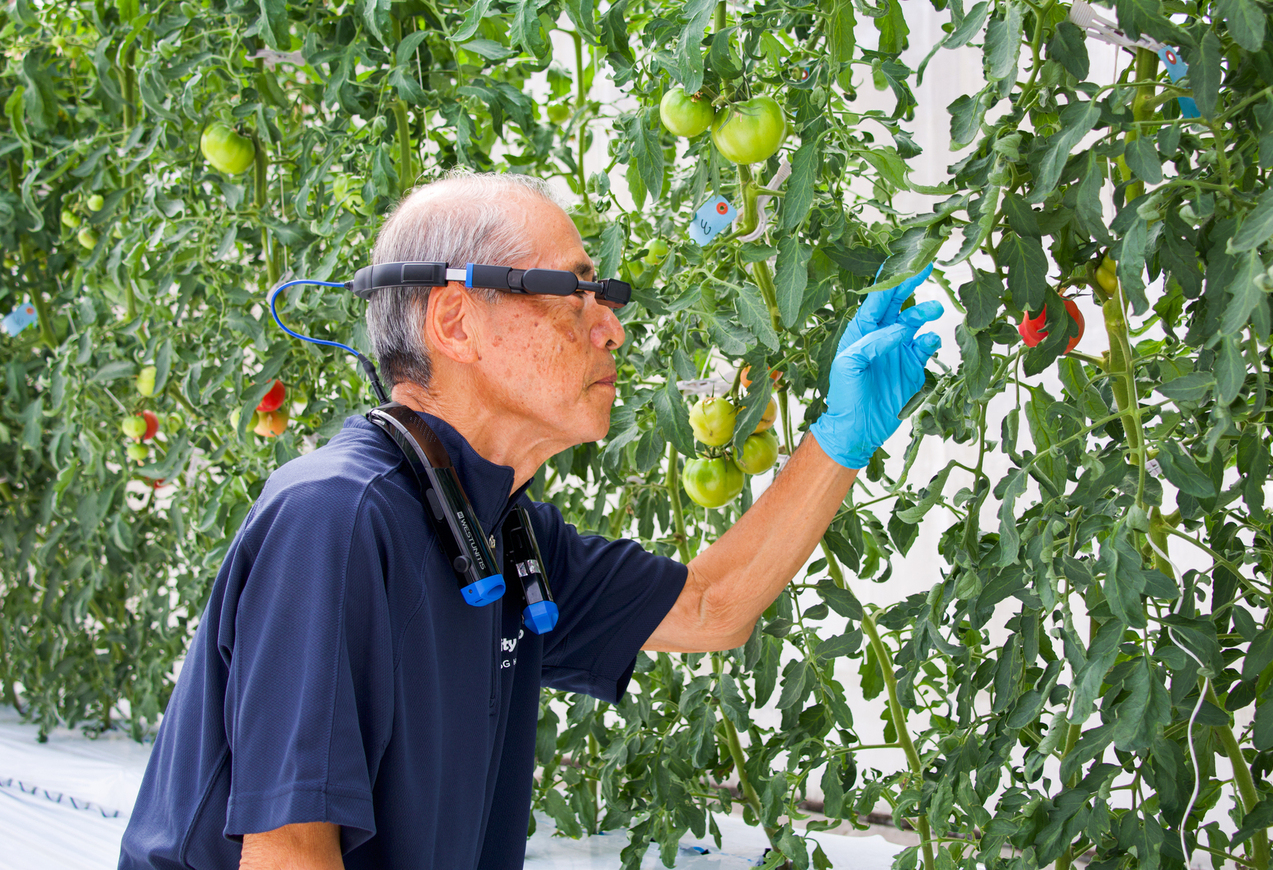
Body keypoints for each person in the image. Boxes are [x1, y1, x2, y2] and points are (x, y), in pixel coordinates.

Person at [118, 170, 942, 870]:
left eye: (605, 298)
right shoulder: (336, 517)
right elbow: (289, 849)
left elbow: (710, 608)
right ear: (454, 320)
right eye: (573, 293)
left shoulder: (497, 533)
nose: (610, 328)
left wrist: (836, 438)